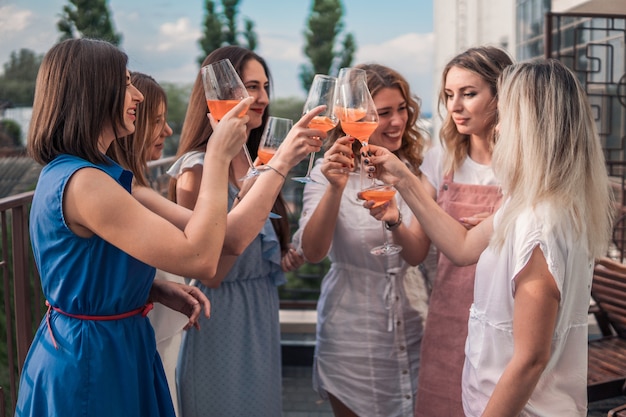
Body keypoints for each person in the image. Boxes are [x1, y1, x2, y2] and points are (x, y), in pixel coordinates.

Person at [15, 38, 253, 417]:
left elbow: (82, 265)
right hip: (95, 362)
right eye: (126, 83)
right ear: (93, 92)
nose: (137, 96)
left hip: (106, 345)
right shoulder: (87, 183)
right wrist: (218, 157)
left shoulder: (69, 172)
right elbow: (202, 257)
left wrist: (146, 287)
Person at [365, 58, 613, 416]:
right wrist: (403, 178)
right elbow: (462, 248)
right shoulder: (530, 201)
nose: (497, 130)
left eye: (506, 116)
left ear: (531, 126)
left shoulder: (538, 224)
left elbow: (530, 360)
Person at [168, 45, 324, 416]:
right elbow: (213, 271)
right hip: (218, 317)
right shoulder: (197, 169)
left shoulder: (253, 158)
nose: (263, 98)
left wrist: (279, 255)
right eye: (251, 86)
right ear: (219, 94)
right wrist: (270, 175)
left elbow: (251, 243)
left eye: (265, 87)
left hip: (260, 309)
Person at [292, 63, 430, 417]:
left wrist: (396, 220)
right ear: (357, 118)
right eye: (384, 113)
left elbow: (415, 255)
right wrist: (335, 190)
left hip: (413, 320)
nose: (398, 121)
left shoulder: (414, 170)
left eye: (402, 109)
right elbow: (311, 252)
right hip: (351, 330)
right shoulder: (328, 173)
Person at [409, 46, 513, 417]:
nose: (455, 106)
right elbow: (414, 251)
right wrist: (392, 219)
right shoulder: (441, 159)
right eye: (450, 95)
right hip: (450, 316)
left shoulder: (525, 167)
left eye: (469, 93)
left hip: (509, 319)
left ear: (502, 95)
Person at [107, 71, 185, 416]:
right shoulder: (132, 194)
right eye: (157, 121)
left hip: (155, 350)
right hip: (141, 353)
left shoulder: (133, 189)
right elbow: (212, 249)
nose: (167, 132)